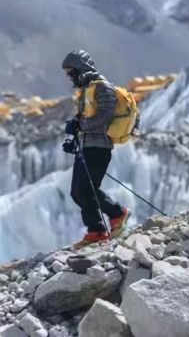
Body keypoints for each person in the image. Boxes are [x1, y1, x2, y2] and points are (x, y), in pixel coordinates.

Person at [61, 49, 130, 248]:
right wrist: (74, 133)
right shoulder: (86, 90)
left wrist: (80, 126)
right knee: (78, 192)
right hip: (86, 145)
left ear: (81, 68)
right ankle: (116, 215)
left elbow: (104, 116)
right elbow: (85, 118)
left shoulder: (103, 88)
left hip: (99, 147)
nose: (69, 76)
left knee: (85, 190)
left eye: (71, 71)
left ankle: (97, 231)